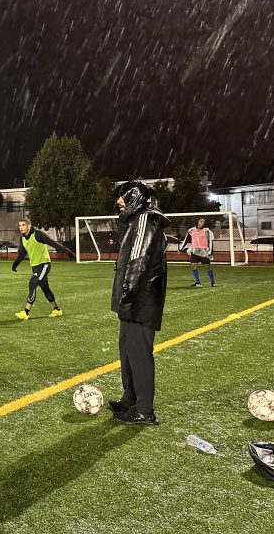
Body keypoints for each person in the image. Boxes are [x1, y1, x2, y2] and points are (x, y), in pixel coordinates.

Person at [110, 180, 168, 426]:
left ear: (133, 199)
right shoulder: (138, 221)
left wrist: (127, 294)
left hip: (140, 302)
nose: (119, 206)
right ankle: (130, 399)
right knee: (127, 351)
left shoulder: (146, 221)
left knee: (139, 354)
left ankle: (144, 410)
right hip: (133, 302)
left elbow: (138, 261)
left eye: (122, 202)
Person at [11, 219, 76, 320]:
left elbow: (54, 244)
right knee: (45, 288)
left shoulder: (38, 234)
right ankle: (57, 309)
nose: (21, 227)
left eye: (23, 225)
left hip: (44, 265)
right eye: (19, 225)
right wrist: (15, 265)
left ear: (29, 226)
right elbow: (21, 254)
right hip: (35, 267)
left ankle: (26, 312)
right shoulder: (23, 238)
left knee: (32, 283)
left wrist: (69, 252)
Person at [179, 218, 216, 287]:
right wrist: (181, 248)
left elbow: (210, 242)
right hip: (194, 251)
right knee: (193, 265)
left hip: (203, 252)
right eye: (201, 221)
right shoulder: (191, 230)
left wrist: (210, 252)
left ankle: (213, 282)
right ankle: (198, 283)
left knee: (207, 267)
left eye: (203, 222)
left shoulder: (207, 231)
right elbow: (186, 239)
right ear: (197, 222)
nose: (202, 223)